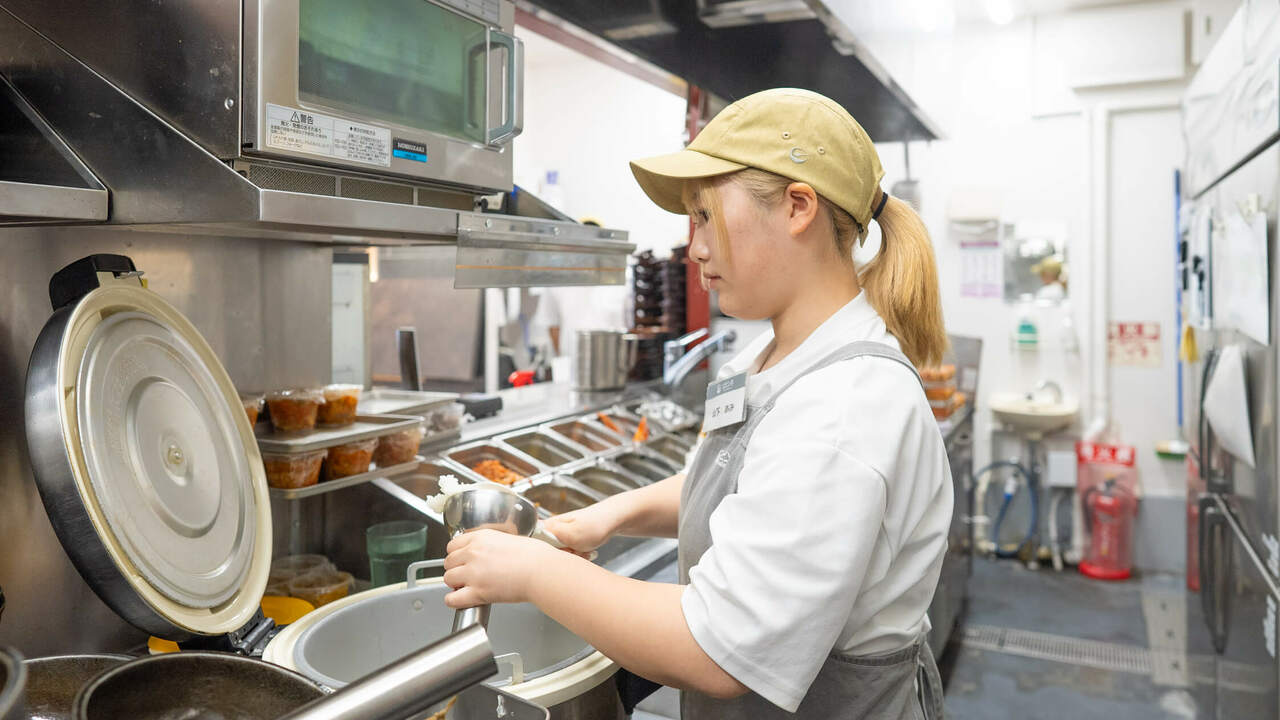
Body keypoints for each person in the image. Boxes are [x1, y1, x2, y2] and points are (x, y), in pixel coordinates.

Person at [442, 88, 952, 719]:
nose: (694, 248)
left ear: (798, 207)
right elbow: (738, 481)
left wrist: (533, 573)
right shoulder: (768, 357)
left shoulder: (843, 408)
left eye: (706, 215)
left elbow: (719, 649)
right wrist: (610, 516)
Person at [532, 217, 630, 362]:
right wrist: (563, 361)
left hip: (612, 361)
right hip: (572, 361)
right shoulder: (557, 281)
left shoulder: (621, 281)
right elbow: (553, 325)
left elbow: (630, 325)